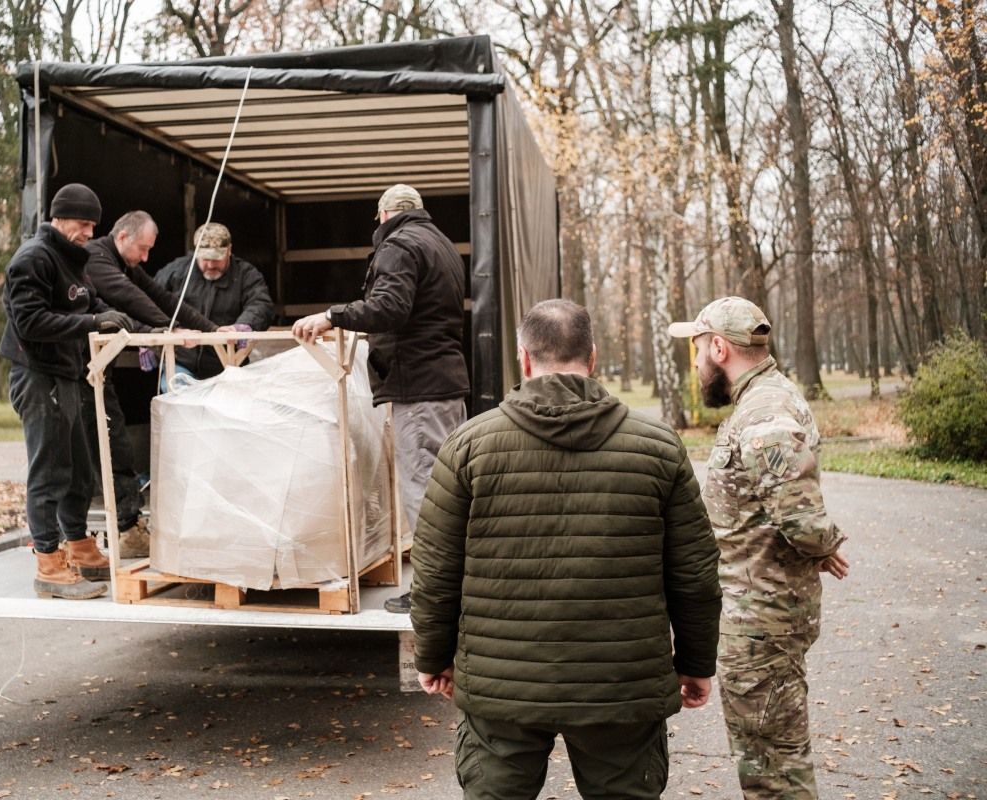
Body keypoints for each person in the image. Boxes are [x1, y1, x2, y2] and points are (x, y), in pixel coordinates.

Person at [409, 299, 721, 800]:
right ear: (592, 358)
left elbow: (435, 569)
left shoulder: (468, 446)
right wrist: (696, 661)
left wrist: (433, 656)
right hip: (621, 686)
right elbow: (695, 573)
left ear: (524, 359)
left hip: (500, 686)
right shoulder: (658, 446)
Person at [668, 296, 850, 800]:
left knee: (774, 772)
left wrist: (824, 543)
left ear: (720, 348)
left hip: (761, 624)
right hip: (762, 617)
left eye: (698, 349)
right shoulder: (763, 398)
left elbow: (800, 516)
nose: (696, 362)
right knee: (773, 760)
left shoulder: (765, 410)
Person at [292, 184, 469, 613]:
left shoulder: (399, 245)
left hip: (420, 389)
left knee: (424, 491)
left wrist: (332, 316)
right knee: (449, 491)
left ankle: (435, 594)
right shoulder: (442, 246)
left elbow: (389, 308)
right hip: (445, 385)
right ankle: (456, 585)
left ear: (384, 215)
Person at [0, 183, 138, 599]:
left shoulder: (72, 259)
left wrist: (113, 317)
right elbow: (31, 323)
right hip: (37, 375)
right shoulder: (32, 259)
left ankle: (78, 544)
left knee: (79, 467)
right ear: (58, 218)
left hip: (69, 375)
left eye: (94, 225)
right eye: (83, 223)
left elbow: (87, 304)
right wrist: (92, 324)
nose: (89, 233)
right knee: (50, 469)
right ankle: (48, 560)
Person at [82, 211, 212, 558]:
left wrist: (213, 330)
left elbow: (162, 297)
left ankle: (128, 528)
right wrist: (165, 331)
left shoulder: (125, 263)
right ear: (123, 237)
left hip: (99, 370)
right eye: (143, 248)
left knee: (116, 444)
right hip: (79, 369)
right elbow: (128, 297)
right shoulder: (96, 257)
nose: (145, 257)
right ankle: (80, 538)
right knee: (92, 451)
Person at [152, 222, 274, 380]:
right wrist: (152, 333)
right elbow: (150, 303)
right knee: (177, 390)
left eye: (216, 259)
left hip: (228, 365)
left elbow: (261, 304)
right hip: (181, 362)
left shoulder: (246, 274)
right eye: (205, 259)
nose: (210, 265)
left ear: (229, 250)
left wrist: (244, 325)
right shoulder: (175, 272)